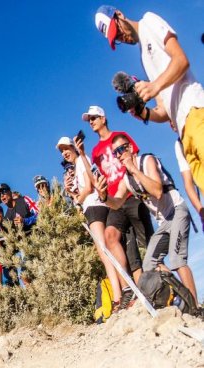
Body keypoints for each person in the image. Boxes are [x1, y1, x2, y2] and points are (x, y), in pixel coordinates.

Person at [94, 6, 204, 192]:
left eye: (118, 30)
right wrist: (144, 113)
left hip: (195, 112)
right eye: (117, 38)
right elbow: (164, 112)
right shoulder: (144, 58)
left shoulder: (148, 21)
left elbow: (181, 60)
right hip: (183, 133)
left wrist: (154, 86)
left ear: (119, 14)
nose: (122, 37)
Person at [97, 134, 197, 301]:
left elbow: (157, 191)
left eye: (121, 150)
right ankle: (178, 298)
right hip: (163, 222)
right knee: (149, 264)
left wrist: (135, 170)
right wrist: (104, 197)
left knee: (177, 260)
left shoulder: (147, 161)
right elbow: (116, 203)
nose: (118, 155)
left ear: (130, 148)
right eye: (115, 153)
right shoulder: (126, 180)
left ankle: (194, 306)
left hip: (177, 211)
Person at [83, 105, 153, 291]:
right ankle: (129, 288)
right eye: (89, 119)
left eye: (94, 118)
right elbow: (96, 178)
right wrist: (82, 154)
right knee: (110, 236)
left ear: (103, 118)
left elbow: (136, 158)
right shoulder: (95, 151)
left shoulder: (120, 136)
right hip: (115, 201)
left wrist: (142, 186)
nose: (91, 122)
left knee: (148, 245)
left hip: (132, 193)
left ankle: (167, 285)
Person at [58, 135, 125, 308]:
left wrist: (77, 201)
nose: (64, 153)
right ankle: (120, 292)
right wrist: (72, 193)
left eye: (66, 148)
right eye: (62, 151)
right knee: (105, 251)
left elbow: (89, 187)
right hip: (94, 206)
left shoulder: (82, 160)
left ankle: (118, 296)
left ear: (74, 147)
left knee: (104, 253)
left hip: (94, 206)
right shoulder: (79, 164)